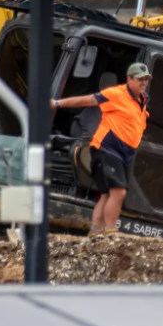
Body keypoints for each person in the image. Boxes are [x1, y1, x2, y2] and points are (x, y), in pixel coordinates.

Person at [51, 63, 151, 236]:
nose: (144, 83)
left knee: (106, 195)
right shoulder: (116, 94)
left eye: (146, 80)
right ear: (129, 79)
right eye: (140, 79)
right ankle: (109, 232)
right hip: (106, 149)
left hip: (123, 154)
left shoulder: (142, 101)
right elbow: (87, 100)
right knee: (118, 193)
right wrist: (58, 103)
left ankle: (95, 231)